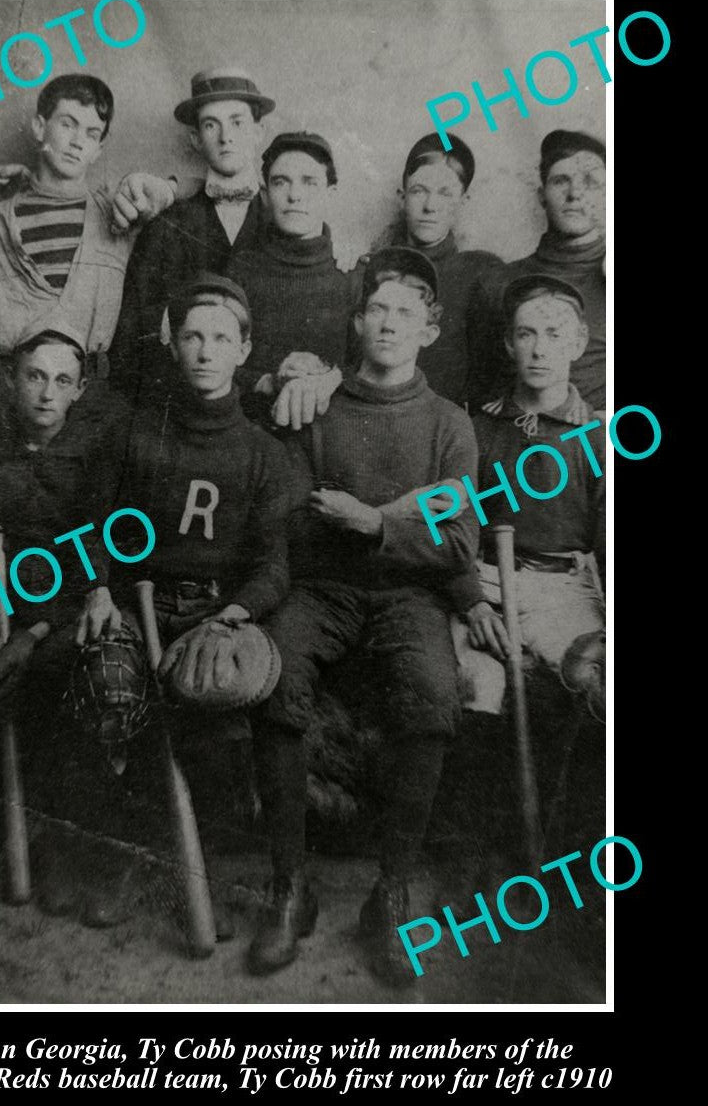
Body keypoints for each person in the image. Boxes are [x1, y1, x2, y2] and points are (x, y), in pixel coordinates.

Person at [247, 247, 480, 984]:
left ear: (430, 331)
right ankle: (291, 886)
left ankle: (394, 891)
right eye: (377, 308)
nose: (388, 323)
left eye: (406, 312)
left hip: (408, 597)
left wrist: (374, 525)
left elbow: (459, 543)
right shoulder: (319, 406)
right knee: (276, 675)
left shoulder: (448, 424)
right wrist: (389, 522)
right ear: (357, 320)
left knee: (434, 691)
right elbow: (291, 518)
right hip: (321, 590)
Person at [75, 273, 293, 942]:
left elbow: (272, 565)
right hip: (131, 609)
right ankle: (120, 857)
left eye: (220, 337)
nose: (204, 349)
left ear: (244, 349)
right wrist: (97, 590)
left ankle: (205, 871)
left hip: (212, 615)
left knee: (214, 710)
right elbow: (88, 525)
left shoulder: (262, 453)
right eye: (192, 335)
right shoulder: (134, 430)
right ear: (172, 344)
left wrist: (232, 616)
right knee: (112, 695)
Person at [0, 323, 131, 925]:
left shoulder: (94, 461)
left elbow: (94, 562)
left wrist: (35, 631)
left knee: (66, 676)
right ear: (12, 382)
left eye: (62, 381)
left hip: (61, 617)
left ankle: (81, 847)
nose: (47, 393)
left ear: (78, 392)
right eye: (35, 377)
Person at [452, 272, 606, 718]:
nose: (539, 350)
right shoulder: (476, 429)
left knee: (590, 683)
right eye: (527, 334)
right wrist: (473, 603)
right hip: (484, 579)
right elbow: (451, 530)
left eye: (554, 335)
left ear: (578, 344)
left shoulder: (595, 437)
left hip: (563, 588)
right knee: (477, 686)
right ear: (508, 343)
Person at [0, 73, 178, 380]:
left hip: (92, 388)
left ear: (100, 147)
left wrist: (165, 188)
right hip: (13, 386)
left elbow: (205, 186)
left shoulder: (117, 213)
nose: (77, 142)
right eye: (67, 124)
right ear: (39, 127)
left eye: (91, 133)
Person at [111, 68, 275, 405]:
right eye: (211, 124)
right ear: (195, 139)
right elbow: (129, 343)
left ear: (260, 131)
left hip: (265, 413)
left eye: (238, 122)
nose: (225, 137)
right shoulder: (164, 226)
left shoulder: (283, 223)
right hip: (180, 411)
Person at [225, 132, 362, 426]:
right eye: (280, 182)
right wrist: (268, 381)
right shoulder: (242, 270)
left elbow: (370, 363)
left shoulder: (353, 273)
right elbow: (215, 359)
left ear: (331, 194)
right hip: (254, 431)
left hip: (334, 438)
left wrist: (331, 378)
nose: (294, 195)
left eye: (309, 182)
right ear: (264, 195)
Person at [468, 130, 606, 412]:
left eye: (590, 183)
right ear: (542, 195)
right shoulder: (501, 282)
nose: (575, 194)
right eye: (560, 181)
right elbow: (482, 391)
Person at [374, 132, 502, 407]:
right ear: (402, 196)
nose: (430, 206)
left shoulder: (480, 273)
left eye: (445, 193)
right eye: (420, 190)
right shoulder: (371, 269)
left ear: (463, 201)